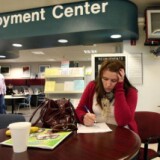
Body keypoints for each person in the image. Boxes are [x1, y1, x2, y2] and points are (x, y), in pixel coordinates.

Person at [75, 59, 138, 133]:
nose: (108, 84)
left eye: (113, 80)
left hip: (122, 133)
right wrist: (83, 117)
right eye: (105, 79)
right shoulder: (92, 86)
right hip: (98, 132)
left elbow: (123, 121)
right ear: (100, 76)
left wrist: (119, 88)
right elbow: (79, 109)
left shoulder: (131, 92)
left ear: (121, 79)